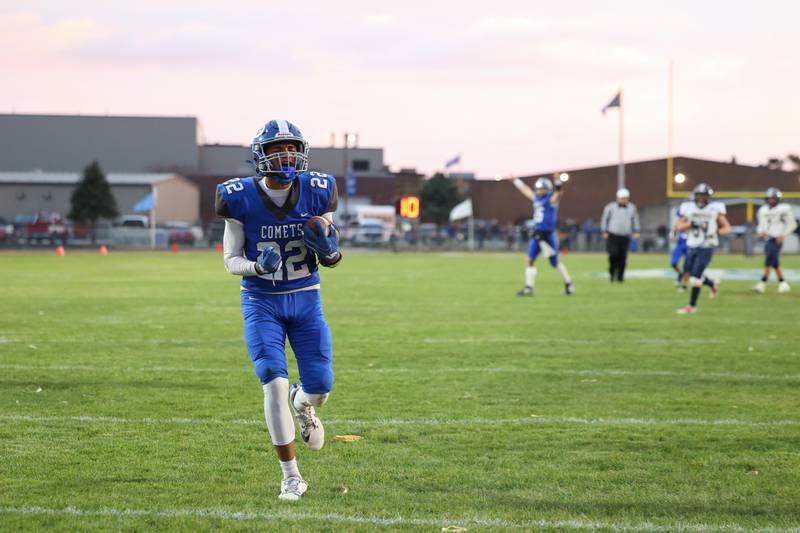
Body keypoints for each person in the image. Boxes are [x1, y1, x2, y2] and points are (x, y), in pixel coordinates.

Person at [215, 119, 342, 501]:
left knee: (320, 387)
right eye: (276, 149)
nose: (285, 156)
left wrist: (329, 248)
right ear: (261, 155)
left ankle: (303, 406)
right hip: (260, 300)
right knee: (273, 381)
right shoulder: (237, 196)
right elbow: (230, 259)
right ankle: (291, 476)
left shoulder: (318, 190)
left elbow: (331, 251)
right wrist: (256, 267)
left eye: (291, 148)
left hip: (306, 298)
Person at [512, 176, 574, 296]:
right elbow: (526, 190)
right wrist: (516, 180)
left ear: (547, 190)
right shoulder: (536, 198)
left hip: (548, 234)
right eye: (538, 189)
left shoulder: (550, 199)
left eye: (542, 189)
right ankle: (529, 287)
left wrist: (557, 181)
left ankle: (568, 282)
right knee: (530, 259)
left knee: (554, 262)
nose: (539, 191)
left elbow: (559, 193)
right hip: (537, 233)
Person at [675, 183, 730, 315]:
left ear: (708, 197)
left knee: (695, 278)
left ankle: (691, 306)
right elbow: (678, 226)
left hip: (706, 246)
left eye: (704, 196)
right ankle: (712, 284)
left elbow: (727, 228)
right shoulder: (689, 208)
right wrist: (690, 224)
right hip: (692, 244)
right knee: (688, 273)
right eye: (699, 195)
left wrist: (716, 232)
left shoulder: (714, 209)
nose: (701, 198)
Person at [754, 187, 797, 293]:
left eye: (773, 198)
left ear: (778, 199)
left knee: (770, 257)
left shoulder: (784, 209)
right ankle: (782, 283)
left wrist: (783, 234)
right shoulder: (763, 210)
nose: (771, 200)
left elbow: (793, 224)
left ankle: (762, 283)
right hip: (768, 238)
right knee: (772, 260)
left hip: (778, 238)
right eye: (769, 198)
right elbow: (760, 225)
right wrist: (760, 232)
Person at [601, 188, 640, 282]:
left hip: (625, 235)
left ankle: (620, 276)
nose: (624, 200)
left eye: (626, 198)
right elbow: (604, 219)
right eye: (622, 198)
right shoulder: (610, 207)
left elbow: (635, 220)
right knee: (613, 255)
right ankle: (612, 273)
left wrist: (637, 231)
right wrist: (604, 231)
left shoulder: (632, 207)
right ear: (618, 198)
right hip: (613, 234)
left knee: (623, 257)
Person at [669, 203, 690, 291]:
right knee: (673, 262)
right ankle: (680, 274)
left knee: (687, 267)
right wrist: (673, 235)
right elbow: (674, 229)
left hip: (690, 244)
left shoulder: (693, 217)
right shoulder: (680, 219)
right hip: (680, 243)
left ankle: (685, 284)